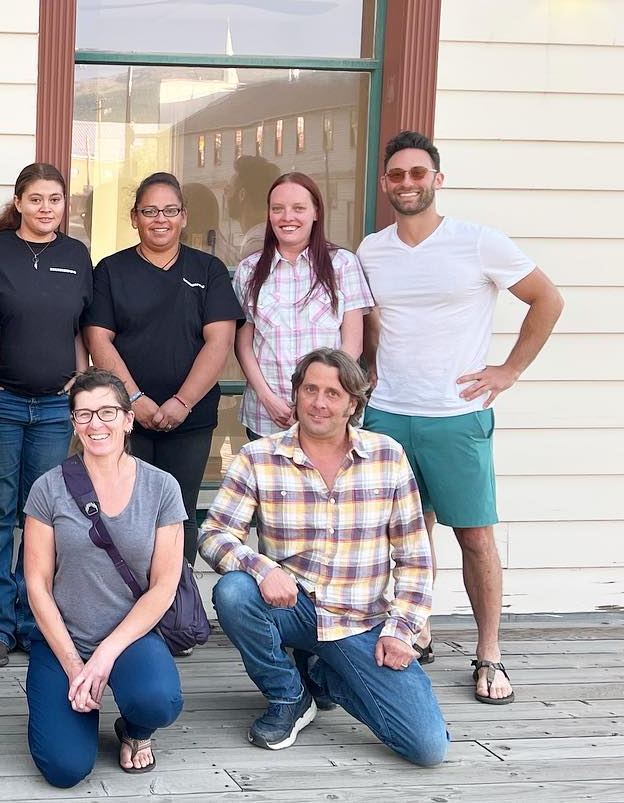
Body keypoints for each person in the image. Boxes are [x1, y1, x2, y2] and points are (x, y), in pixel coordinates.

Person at [358, 131, 562, 703]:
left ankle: (490, 651)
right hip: (389, 413)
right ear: (384, 184)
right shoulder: (372, 250)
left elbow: (548, 299)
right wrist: (370, 370)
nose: (406, 183)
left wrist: (509, 370)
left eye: (417, 173)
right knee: (407, 534)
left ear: (437, 179)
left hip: (455, 416)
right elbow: (375, 324)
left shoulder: (478, 243)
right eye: (396, 175)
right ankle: (415, 627)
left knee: (474, 536)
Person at [199, 349, 448, 765]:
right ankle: (288, 695)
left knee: (427, 748)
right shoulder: (260, 457)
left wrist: (402, 630)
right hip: (290, 604)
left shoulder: (387, 457)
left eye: (333, 393)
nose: (319, 402)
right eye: (310, 389)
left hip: (359, 621)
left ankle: (319, 675)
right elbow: (214, 533)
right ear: (296, 394)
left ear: (353, 403)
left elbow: (414, 557)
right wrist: (261, 569)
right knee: (234, 591)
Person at [22, 369, 186, 785]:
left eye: (108, 412)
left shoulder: (162, 487)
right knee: (65, 769)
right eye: (84, 415)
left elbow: (164, 584)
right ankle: (78, 709)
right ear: (74, 422)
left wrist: (105, 656)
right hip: (64, 639)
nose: (96, 424)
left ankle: (136, 728)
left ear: (128, 419)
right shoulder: (48, 488)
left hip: (130, 636)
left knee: (158, 701)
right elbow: (37, 585)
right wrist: (77, 665)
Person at [0, 163, 92, 667]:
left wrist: (80, 383)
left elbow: (85, 329)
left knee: (39, 519)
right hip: (0, 403)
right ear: (18, 202)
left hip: (57, 408)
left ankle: (29, 617)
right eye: (36, 199)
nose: (46, 209)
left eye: (55, 200)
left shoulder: (77, 256)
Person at [83, 172, 242, 567]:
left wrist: (182, 402)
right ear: (134, 217)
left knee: (178, 514)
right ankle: (127, 609)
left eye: (170, 210)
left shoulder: (209, 270)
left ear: (184, 216)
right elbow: (98, 338)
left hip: (189, 419)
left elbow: (219, 341)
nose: (160, 219)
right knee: (123, 512)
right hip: (124, 419)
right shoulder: (111, 270)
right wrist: (133, 400)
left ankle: (175, 611)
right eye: (149, 211)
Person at [233, 172, 373, 440]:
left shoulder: (343, 265)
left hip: (328, 414)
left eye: (299, 208)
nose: (287, 217)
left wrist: (315, 401)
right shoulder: (248, 271)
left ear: (316, 212)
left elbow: (352, 345)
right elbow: (244, 345)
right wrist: (268, 398)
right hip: (268, 415)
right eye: (278, 209)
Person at [226, 155, 280, 260]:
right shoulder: (272, 236)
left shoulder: (255, 246)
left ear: (242, 195)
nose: (226, 196)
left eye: (229, 189)